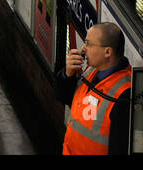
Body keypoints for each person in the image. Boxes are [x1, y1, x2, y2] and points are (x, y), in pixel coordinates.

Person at [56, 22, 133, 155]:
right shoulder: (91, 71)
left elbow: (119, 147)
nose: (83, 49)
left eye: (89, 44)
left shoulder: (124, 93)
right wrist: (67, 75)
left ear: (107, 52)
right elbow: (65, 98)